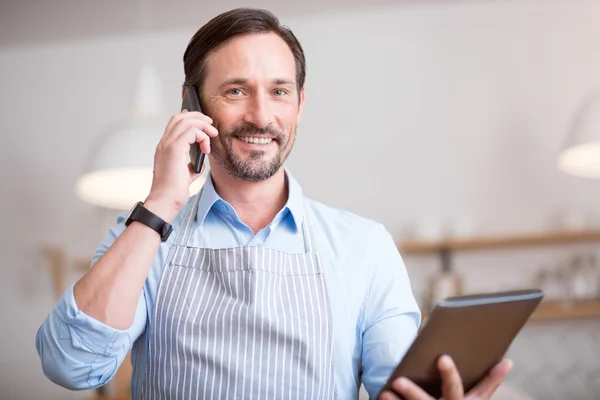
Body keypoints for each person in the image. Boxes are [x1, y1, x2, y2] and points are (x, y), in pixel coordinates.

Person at [35, 7, 512, 400]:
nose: (261, 116)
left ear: (299, 105)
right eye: (236, 91)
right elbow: (72, 365)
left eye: (279, 92)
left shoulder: (363, 247)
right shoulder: (144, 235)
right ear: (192, 104)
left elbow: (401, 390)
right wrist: (161, 200)